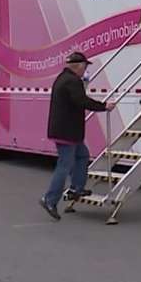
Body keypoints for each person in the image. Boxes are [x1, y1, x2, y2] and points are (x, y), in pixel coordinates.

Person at [39, 51, 113, 220]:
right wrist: (104, 106)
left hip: (65, 130)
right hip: (67, 132)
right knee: (64, 165)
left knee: (82, 155)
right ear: (79, 66)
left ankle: (77, 188)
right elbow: (82, 101)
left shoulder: (63, 78)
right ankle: (49, 199)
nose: (86, 70)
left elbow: (76, 99)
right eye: (85, 67)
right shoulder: (73, 82)